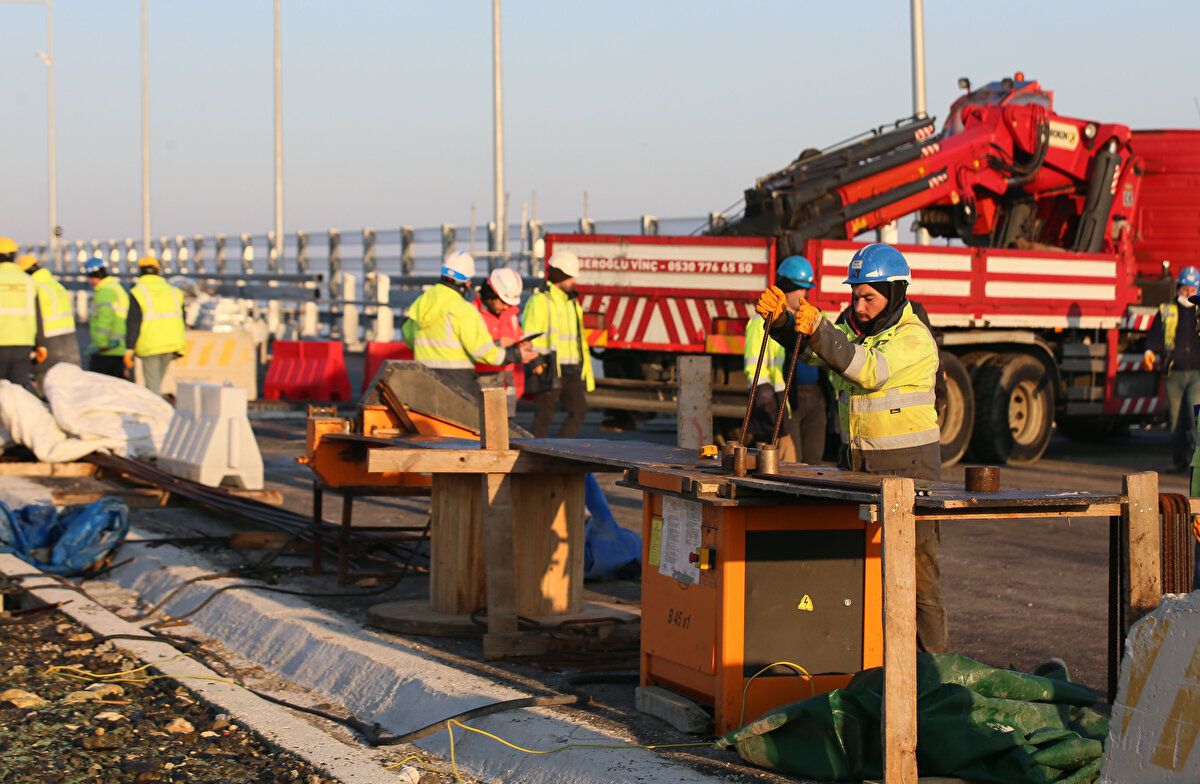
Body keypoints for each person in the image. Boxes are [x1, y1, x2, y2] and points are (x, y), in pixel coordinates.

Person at [757, 242, 947, 652]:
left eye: (868, 297)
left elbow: (868, 370)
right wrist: (783, 324)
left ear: (895, 293)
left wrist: (820, 326)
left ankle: (933, 674)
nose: (858, 306)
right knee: (863, 575)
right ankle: (874, 664)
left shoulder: (913, 338)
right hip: (859, 470)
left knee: (919, 580)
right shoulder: (858, 333)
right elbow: (818, 354)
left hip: (910, 474)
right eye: (854, 296)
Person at [401, 251, 534, 394]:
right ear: (468, 282)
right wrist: (514, 355)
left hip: (424, 380)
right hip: (456, 382)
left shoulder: (422, 303)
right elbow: (483, 351)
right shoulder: (464, 310)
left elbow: (409, 339)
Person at [743, 255, 826, 463]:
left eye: (807, 289)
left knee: (814, 466)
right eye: (800, 288)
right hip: (787, 405)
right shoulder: (761, 322)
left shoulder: (811, 317)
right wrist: (776, 417)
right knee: (792, 467)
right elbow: (757, 376)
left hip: (815, 399)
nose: (805, 294)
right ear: (786, 287)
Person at [522, 250, 595, 438]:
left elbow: (578, 340)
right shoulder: (540, 301)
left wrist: (583, 369)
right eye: (570, 277)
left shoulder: (572, 303)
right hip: (548, 367)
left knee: (579, 410)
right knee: (544, 417)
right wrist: (535, 363)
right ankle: (534, 459)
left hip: (570, 369)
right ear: (559, 276)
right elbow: (529, 336)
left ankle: (560, 451)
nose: (574, 282)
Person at [1145, 265, 1200, 471]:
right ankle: (1179, 460)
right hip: (1174, 373)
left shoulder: (1199, 309)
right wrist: (1148, 351)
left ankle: (1197, 464)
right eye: (1185, 289)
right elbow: (1153, 333)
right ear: (1178, 287)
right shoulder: (1167, 310)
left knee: (1196, 419)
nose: (1187, 293)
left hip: (1197, 373)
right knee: (1176, 420)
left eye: (1192, 290)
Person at [18, 254, 80, 393]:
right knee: (69, 386)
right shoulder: (55, 284)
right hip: (69, 339)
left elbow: (32, 318)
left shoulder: (34, 287)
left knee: (46, 386)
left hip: (48, 341)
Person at [125, 256, 186, 396]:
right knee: (157, 383)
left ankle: (156, 415)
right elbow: (182, 318)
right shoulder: (174, 291)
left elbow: (134, 322)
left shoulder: (138, 292)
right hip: (172, 343)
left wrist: (129, 348)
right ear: (158, 270)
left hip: (150, 344)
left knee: (153, 388)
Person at [474, 267, 526, 415]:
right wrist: (499, 344)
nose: (506, 306)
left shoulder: (510, 314)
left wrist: (523, 345)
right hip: (480, 381)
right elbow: (472, 348)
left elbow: (517, 336)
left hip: (505, 382)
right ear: (491, 295)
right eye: (503, 302)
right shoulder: (472, 313)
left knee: (506, 431)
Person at [0, 238, 45, 389]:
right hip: (24, 342)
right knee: (18, 389)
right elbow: (38, 315)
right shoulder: (28, 281)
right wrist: (41, 344)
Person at [84, 256, 130, 379]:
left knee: (99, 385)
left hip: (106, 348)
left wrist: (101, 342)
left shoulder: (105, 291)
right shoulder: (114, 286)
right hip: (117, 346)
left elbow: (105, 317)